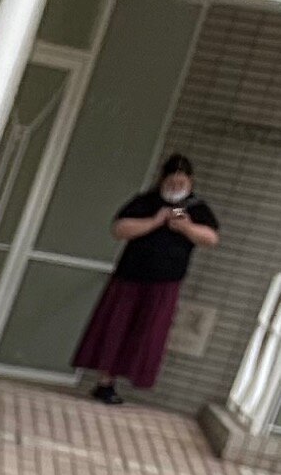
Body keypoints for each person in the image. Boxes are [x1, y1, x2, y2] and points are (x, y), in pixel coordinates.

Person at [74, 155, 211, 405]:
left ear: (190, 181)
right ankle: (106, 382)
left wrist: (187, 228)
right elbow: (119, 229)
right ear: (162, 179)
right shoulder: (146, 202)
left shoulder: (195, 207)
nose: (176, 186)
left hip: (166, 282)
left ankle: (134, 378)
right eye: (172, 181)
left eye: (181, 182)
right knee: (117, 327)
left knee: (149, 332)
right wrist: (155, 221)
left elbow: (211, 237)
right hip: (130, 276)